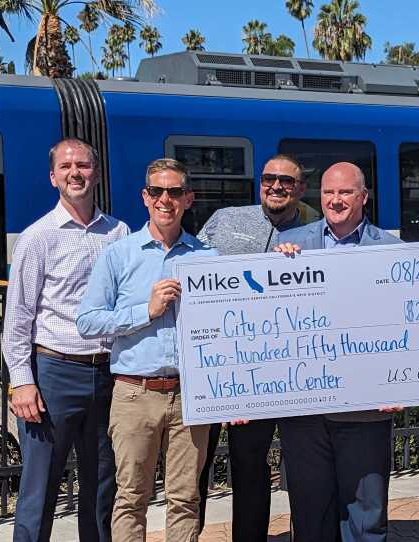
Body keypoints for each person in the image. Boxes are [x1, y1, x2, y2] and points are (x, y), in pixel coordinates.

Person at [76, 158, 215, 542]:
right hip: (135, 393)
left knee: (186, 497)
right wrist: (146, 312)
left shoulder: (208, 258)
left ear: (188, 199)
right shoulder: (119, 255)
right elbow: (87, 321)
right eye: (157, 191)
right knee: (131, 496)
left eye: (174, 192)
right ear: (145, 197)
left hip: (191, 395)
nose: (164, 199)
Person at [2, 137, 129, 542]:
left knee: (102, 487)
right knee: (39, 489)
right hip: (55, 373)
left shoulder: (119, 232)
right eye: (67, 166)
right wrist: (22, 380)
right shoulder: (38, 237)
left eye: (84, 166)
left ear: (96, 173)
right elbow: (18, 316)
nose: (76, 173)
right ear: (53, 176)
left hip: (109, 374)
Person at [274, 162, 401, 542]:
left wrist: (401, 387)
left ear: (363, 197)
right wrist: (275, 267)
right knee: (311, 515)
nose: (336, 199)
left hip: (365, 411)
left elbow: (404, 324)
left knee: (366, 517)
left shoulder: (392, 249)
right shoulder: (290, 245)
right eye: (329, 192)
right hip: (305, 412)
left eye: (345, 192)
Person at [195, 153, 310, 540]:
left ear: (300, 189)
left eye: (286, 181)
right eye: (268, 178)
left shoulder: (315, 232)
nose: (276, 186)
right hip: (220, 364)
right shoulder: (225, 220)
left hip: (283, 369)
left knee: (252, 464)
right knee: (196, 469)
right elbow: (195, 274)